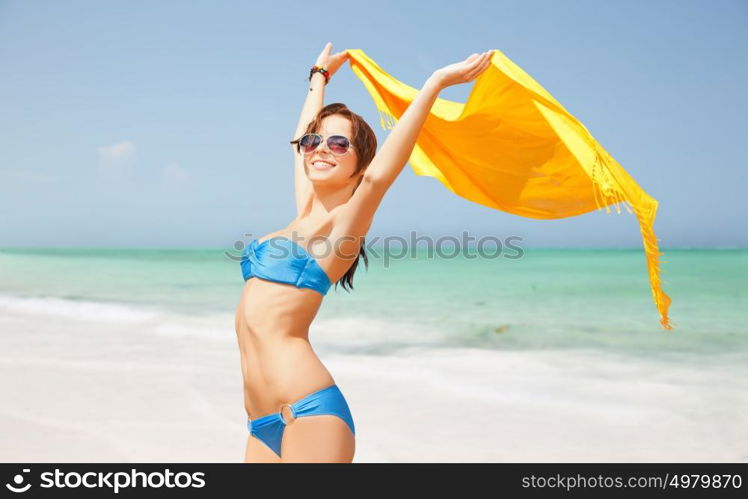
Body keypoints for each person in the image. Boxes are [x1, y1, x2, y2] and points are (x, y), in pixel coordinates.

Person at [235, 42, 493, 463]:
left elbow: (379, 178)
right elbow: (299, 138)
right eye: (315, 142)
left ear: (358, 164)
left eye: (339, 145)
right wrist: (319, 75)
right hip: (260, 422)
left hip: (307, 413)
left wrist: (434, 85)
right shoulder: (301, 215)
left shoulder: (340, 230)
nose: (321, 148)